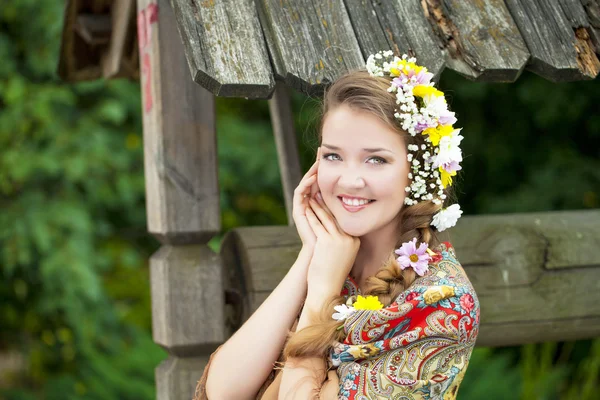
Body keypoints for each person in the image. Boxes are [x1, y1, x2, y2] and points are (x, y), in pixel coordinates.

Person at [195, 51, 480, 399]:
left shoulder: (441, 302)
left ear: (417, 171)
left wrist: (321, 296)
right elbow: (221, 392)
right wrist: (311, 255)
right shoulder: (333, 261)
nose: (350, 180)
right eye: (333, 156)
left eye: (376, 159)